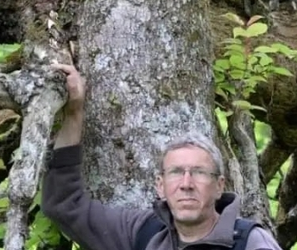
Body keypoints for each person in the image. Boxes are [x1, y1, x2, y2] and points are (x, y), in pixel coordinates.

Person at [42, 63, 283, 250]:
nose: (186, 184)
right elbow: (64, 205)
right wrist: (74, 113)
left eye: (199, 172)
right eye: (176, 172)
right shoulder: (143, 233)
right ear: (160, 185)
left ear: (219, 186)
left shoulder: (249, 242)